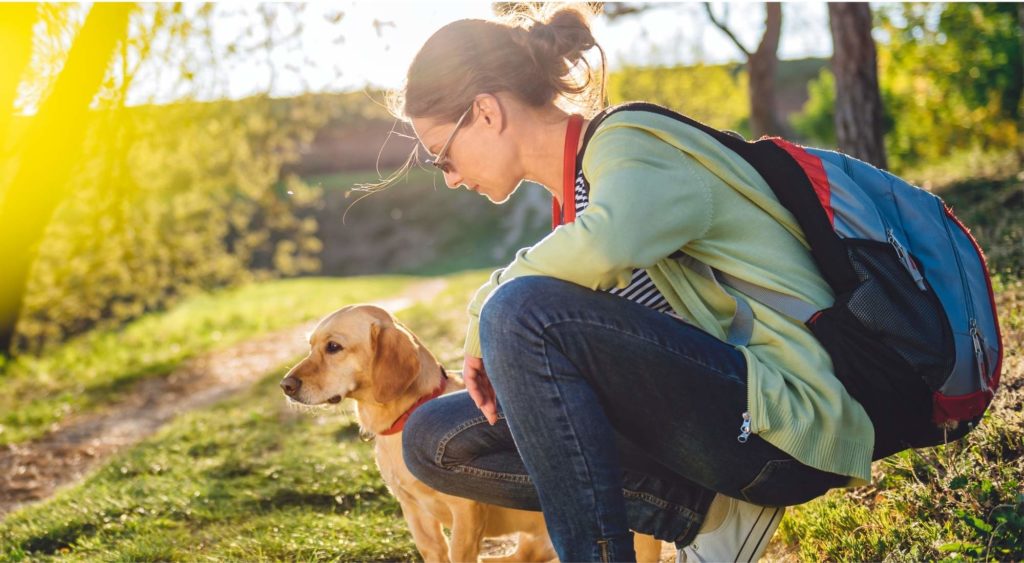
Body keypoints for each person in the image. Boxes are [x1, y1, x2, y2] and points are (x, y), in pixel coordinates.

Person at [386, 6, 875, 562]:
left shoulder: (630, 145)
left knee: (518, 311)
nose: (448, 177)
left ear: (485, 112)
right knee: (435, 438)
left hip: (786, 419)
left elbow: (603, 246)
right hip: (712, 420)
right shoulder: (575, 196)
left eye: (441, 155)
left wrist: (487, 306)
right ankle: (698, 508)